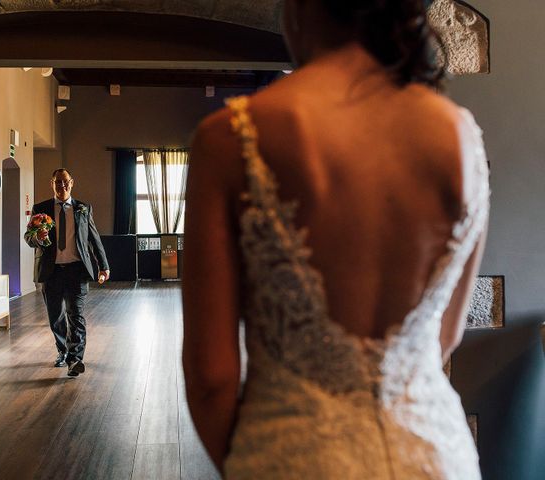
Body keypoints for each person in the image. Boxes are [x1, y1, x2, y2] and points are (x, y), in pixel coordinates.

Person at [182, 0, 489, 478]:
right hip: (436, 454)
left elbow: (212, 378)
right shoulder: (461, 136)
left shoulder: (232, 138)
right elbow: (444, 337)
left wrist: (256, 460)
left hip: (295, 457)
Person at [25, 168, 110, 377]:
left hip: (76, 270)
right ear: (51, 184)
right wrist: (39, 238)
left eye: (65, 182)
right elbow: (28, 237)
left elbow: (93, 238)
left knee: (76, 316)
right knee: (56, 316)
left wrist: (103, 265)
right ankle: (62, 350)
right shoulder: (41, 208)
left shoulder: (83, 208)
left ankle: (75, 359)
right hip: (51, 271)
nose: (62, 186)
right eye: (57, 182)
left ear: (72, 183)